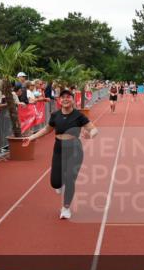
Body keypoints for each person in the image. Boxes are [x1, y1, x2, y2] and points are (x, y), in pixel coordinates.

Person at [22, 89, 98, 219]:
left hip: (74, 149)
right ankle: (59, 184)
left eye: (68, 97)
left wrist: (90, 134)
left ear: (73, 100)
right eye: (62, 97)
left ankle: (66, 208)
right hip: (58, 149)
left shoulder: (79, 116)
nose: (65, 99)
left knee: (70, 179)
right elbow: (47, 129)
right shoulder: (55, 115)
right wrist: (31, 138)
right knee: (55, 183)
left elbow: (94, 129)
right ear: (59, 100)